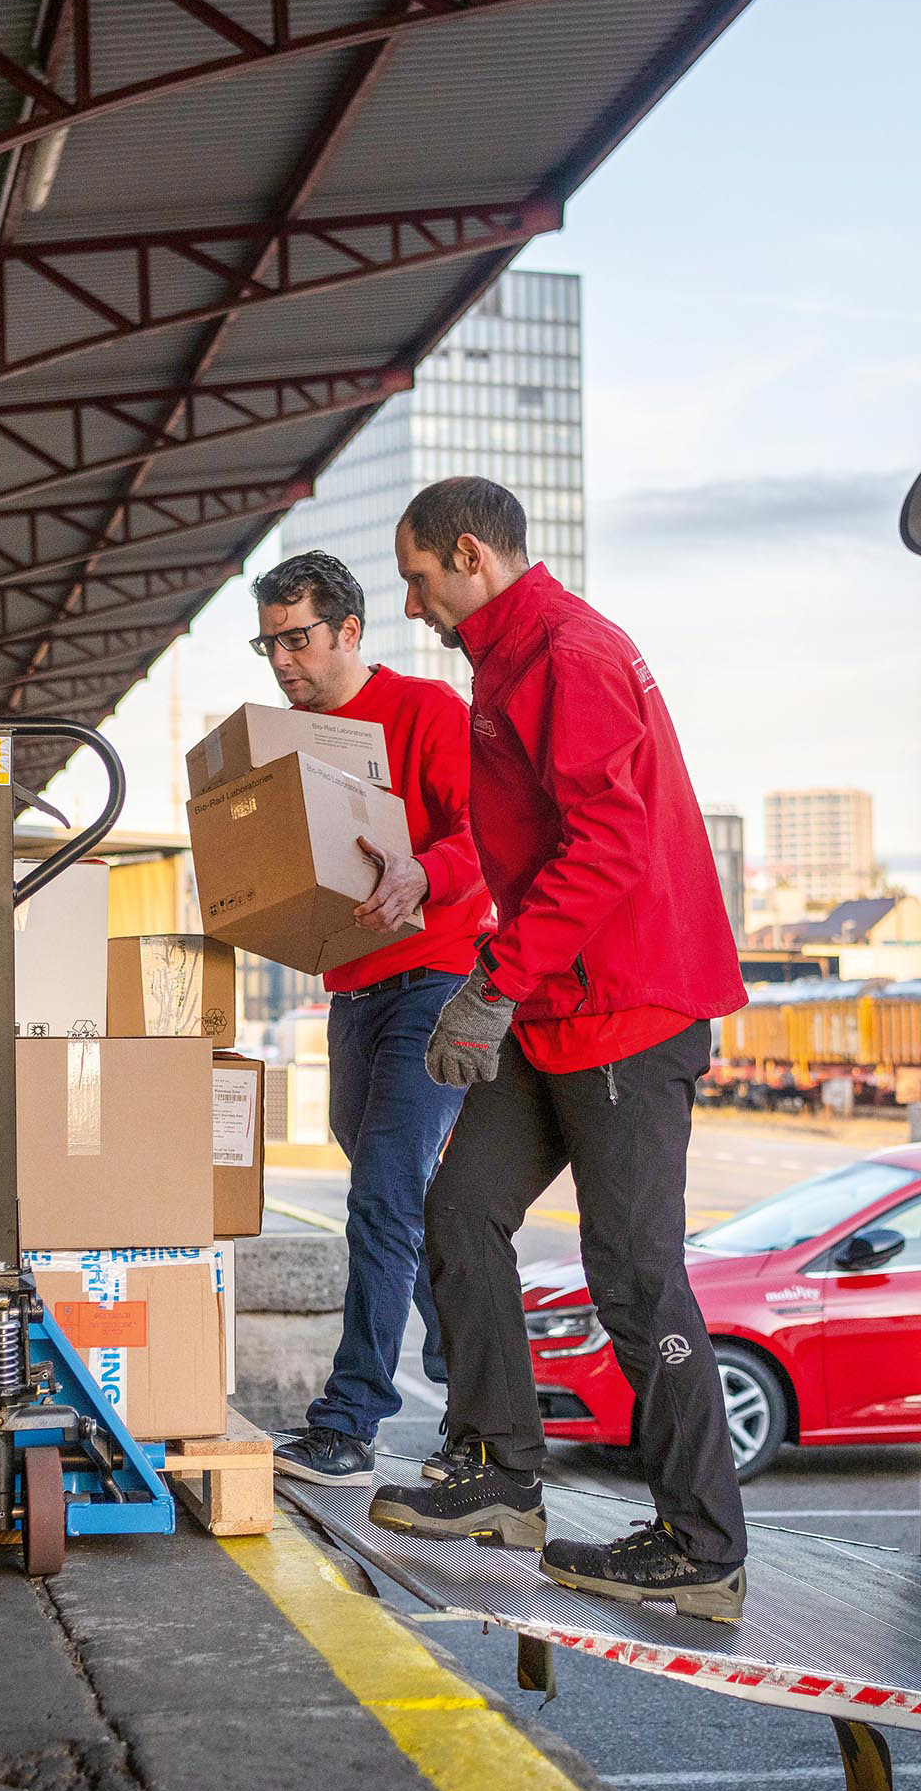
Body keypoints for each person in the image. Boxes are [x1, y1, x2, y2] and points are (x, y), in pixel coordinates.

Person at [363, 478, 752, 1622]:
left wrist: (491, 981)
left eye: (418, 576)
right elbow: (527, 846)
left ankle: (704, 1544)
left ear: (470, 556)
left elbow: (611, 845)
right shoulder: (510, 660)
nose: (412, 601)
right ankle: (502, 1473)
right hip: (557, 1004)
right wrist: (507, 978)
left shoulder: (569, 656)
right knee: (459, 1209)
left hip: (629, 1008)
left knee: (634, 1275)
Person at [255, 550, 493, 1489]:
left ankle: (349, 1422)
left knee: (382, 1196)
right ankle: (474, 1394)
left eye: (297, 638)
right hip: (351, 990)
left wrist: (423, 873)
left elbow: (486, 836)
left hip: (436, 980)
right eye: (268, 642)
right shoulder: (287, 740)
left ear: (349, 631)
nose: (282, 660)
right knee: (411, 1201)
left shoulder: (428, 712)